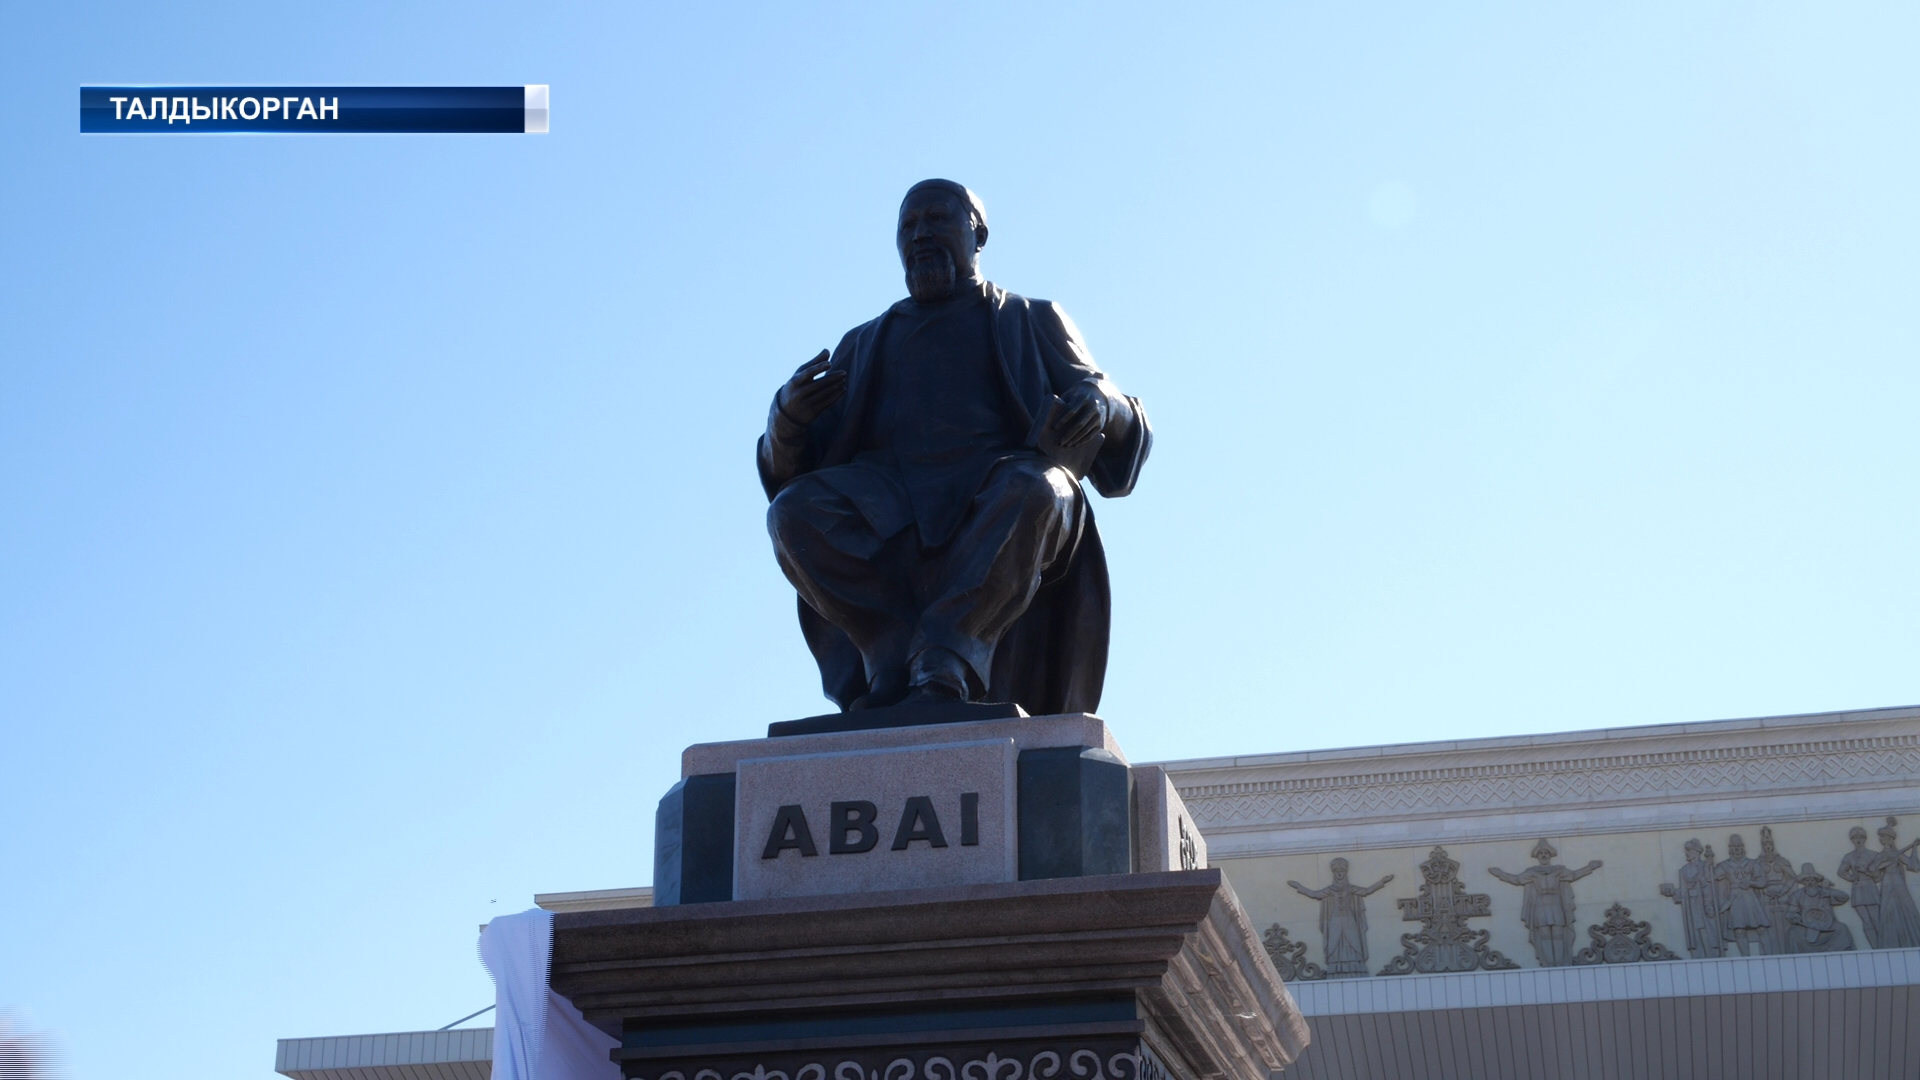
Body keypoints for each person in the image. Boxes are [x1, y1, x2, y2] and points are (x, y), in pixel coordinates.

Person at [760, 180, 1150, 713]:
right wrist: (786, 422)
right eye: (908, 226)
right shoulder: (864, 343)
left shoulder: (1029, 318)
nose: (920, 235)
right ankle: (891, 655)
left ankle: (945, 658)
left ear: (978, 232)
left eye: (937, 220)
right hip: (888, 505)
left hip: (995, 495)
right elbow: (793, 473)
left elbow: (1119, 423)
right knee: (793, 514)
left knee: (1041, 489)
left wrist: (1103, 402)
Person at [1488, 840, 1602, 967]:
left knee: (1558, 933)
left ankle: (1560, 963)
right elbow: (1517, 880)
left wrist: (1590, 867)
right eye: (1541, 853)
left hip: (1556, 904)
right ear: (1537, 856)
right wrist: (1500, 874)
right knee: (1544, 934)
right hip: (1539, 906)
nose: (1543, 855)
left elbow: (1574, 875)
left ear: (1550, 855)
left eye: (1546, 853)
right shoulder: (1532, 872)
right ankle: (1549, 963)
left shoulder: (1558, 870)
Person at [1287, 859, 1394, 978]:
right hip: (1334, 920)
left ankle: (1355, 968)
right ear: (1333, 873)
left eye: (1342, 871)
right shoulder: (1330, 890)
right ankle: (1335, 969)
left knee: (1353, 942)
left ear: (1345, 872)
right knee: (1334, 943)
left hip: (1349, 920)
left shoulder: (1350, 888)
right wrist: (1298, 886)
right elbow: (1314, 894)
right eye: (1337, 871)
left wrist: (1382, 882)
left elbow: (1366, 891)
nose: (1339, 874)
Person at [1660, 839, 1726, 959]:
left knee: (1706, 929)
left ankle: (1712, 953)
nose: (1686, 853)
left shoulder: (1705, 867)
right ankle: (1698, 954)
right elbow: (1684, 891)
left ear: (1696, 852)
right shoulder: (1684, 870)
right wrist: (1672, 892)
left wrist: (1709, 904)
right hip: (1690, 904)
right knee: (1694, 930)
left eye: (1688, 850)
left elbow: (1710, 887)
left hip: (1703, 903)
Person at [1716, 834, 1771, 956]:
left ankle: (1769, 955)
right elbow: (1711, 878)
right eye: (1734, 846)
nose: (1736, 849)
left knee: (1762, 928)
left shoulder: (1752, 863)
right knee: (1739, 930)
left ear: (1743, 848)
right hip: (1735, 898)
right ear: (1730, 849)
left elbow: (1763, 881)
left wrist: (1751, 882)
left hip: (1750, 897)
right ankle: (1745, 958)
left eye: (1739, 846)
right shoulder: (1724, 865)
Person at [1869, 818, 1920, 948]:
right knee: (1887, 909)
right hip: (1886, 882)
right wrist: (1876, 868)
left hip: (1898, 882)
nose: (1881, 839)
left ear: (1890, 840)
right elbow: (1874, 872)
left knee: (1906, 906)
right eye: (1881, 837)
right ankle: (1889, 942)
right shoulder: (1879, 856)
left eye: (1883, 837)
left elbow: (1913, 866)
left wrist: (1914, 848)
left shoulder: (1897, 854)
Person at [1784, 863, 1854, 953]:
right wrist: (1795, 918)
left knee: (1842, 928)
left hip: (1827, 926)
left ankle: (1846, 955)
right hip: (1807, 926)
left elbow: (1844, 897)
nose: (1810, 883)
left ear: (1816, 881)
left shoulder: (1824, 891)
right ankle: (1796, 959)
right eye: (1807, 880)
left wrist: (1828, 890)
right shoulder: (1797, 895)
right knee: (1792, 932)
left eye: (1812, 880)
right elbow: (1791, 912)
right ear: (1803, 882)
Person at [1838, 825, 1885, 947]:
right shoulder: (1849, 856)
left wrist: (1870, 873)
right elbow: (1841, 871)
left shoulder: (1873, 855)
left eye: (1860, 837)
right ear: (1852, 840)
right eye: (1855, 838)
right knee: (1866, 921)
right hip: (1858, 888)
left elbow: (1878, 875)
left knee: (1876, 919)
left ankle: (1884, 945)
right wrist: (1852, 877)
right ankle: (1874, 946)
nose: (1858, 840)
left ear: (1864, 839)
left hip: (1870, 887)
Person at [1755, 826, 1797, 955]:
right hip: (1766, 897)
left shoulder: (1781, 861)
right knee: (1768, 928)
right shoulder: (1757, 863)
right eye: (1765, 844)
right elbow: (1754, 880)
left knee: (1785, 927)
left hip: (1782, 896)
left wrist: (1783, 891)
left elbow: (1792, 877)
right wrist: (1765, 891)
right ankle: (1771, 954)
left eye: (1770, 844)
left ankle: (1787, 953)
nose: (1768, 846)